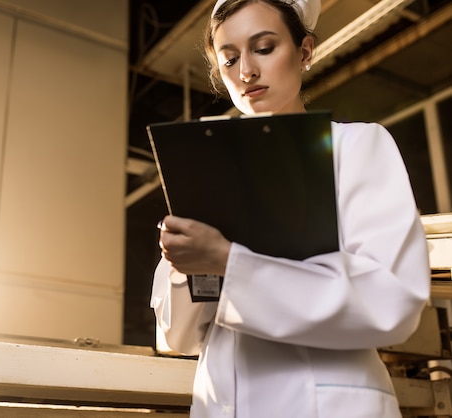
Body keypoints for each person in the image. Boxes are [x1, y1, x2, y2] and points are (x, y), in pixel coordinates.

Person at [150, 0, 431, 417]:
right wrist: (184, 264)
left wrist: (231, 262)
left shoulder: (355, 148)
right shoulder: (206, 168)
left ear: (304, 52)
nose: (245, 72)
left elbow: (392, 302)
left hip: (328, 404)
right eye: (229, 59)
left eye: (263, 48)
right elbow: (177, 338)